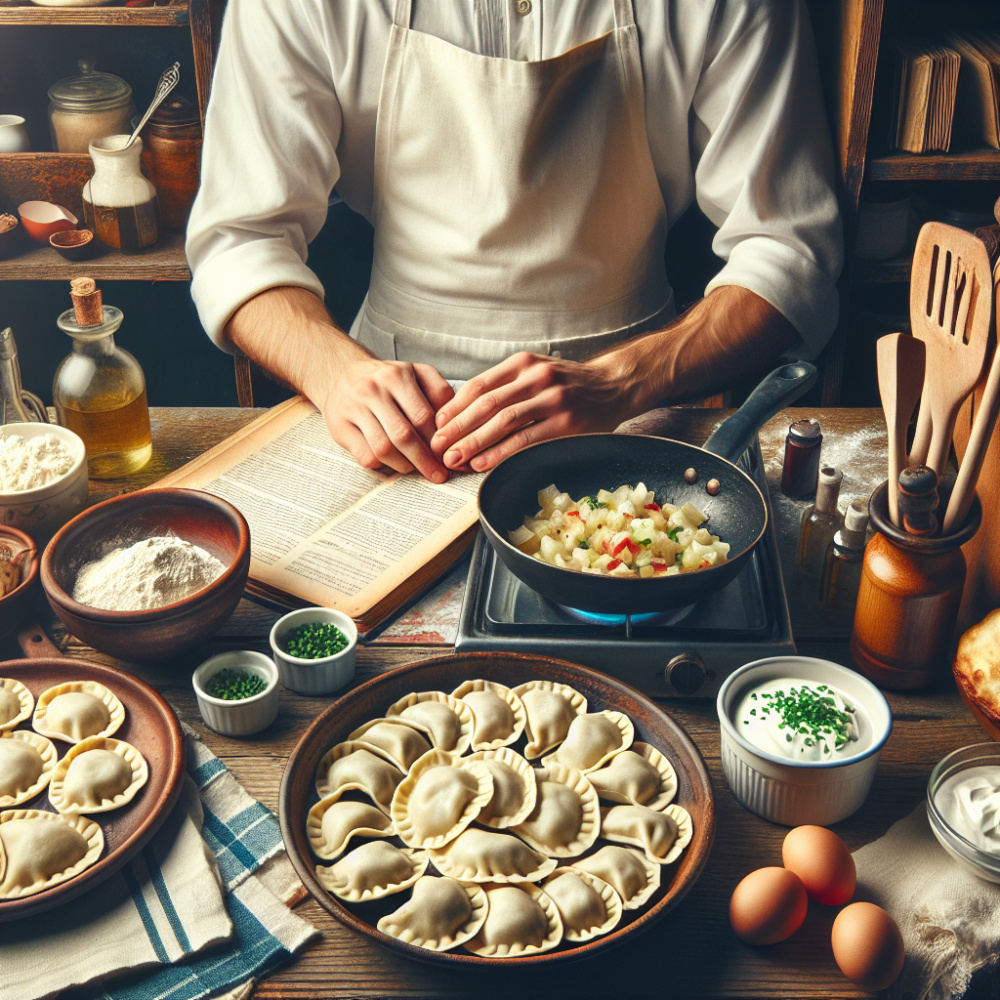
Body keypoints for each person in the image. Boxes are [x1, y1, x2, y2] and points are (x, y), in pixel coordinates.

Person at [186, 0, 843, 485]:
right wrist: (335, 374)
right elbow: (241, 237)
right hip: (397, 424)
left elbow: (789, 246)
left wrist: (620, 381)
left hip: (636, 406)